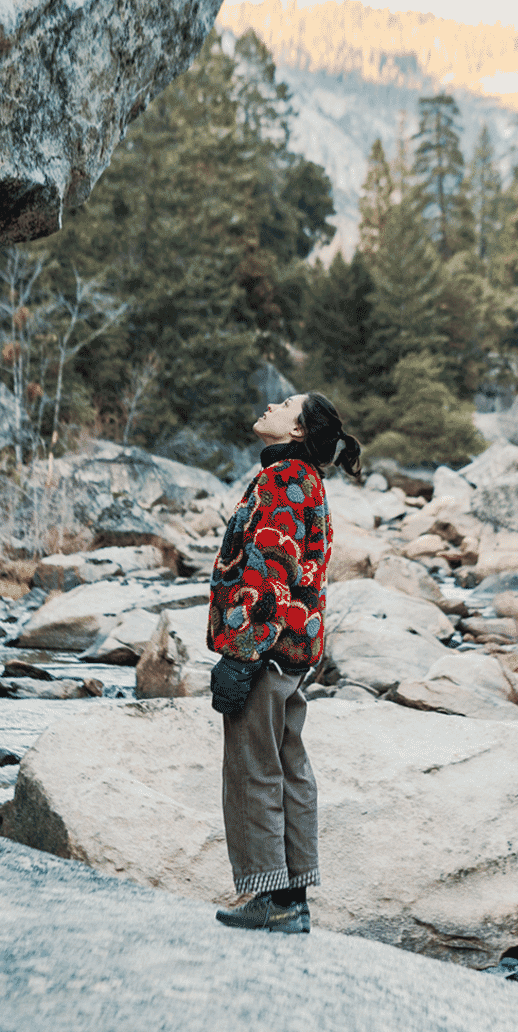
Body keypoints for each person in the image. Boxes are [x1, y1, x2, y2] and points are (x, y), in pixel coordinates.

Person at [206, 392, 362, 933]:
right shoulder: (307, 480)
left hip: (266, 650)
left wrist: (241, 654)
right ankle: (293, 898)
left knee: (254, 771)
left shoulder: (282, 479)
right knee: (289, 768)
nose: (273, 404)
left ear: (298, 431)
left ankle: (271, 897)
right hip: (292, 651)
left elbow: (270, 571)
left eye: (287, 403)